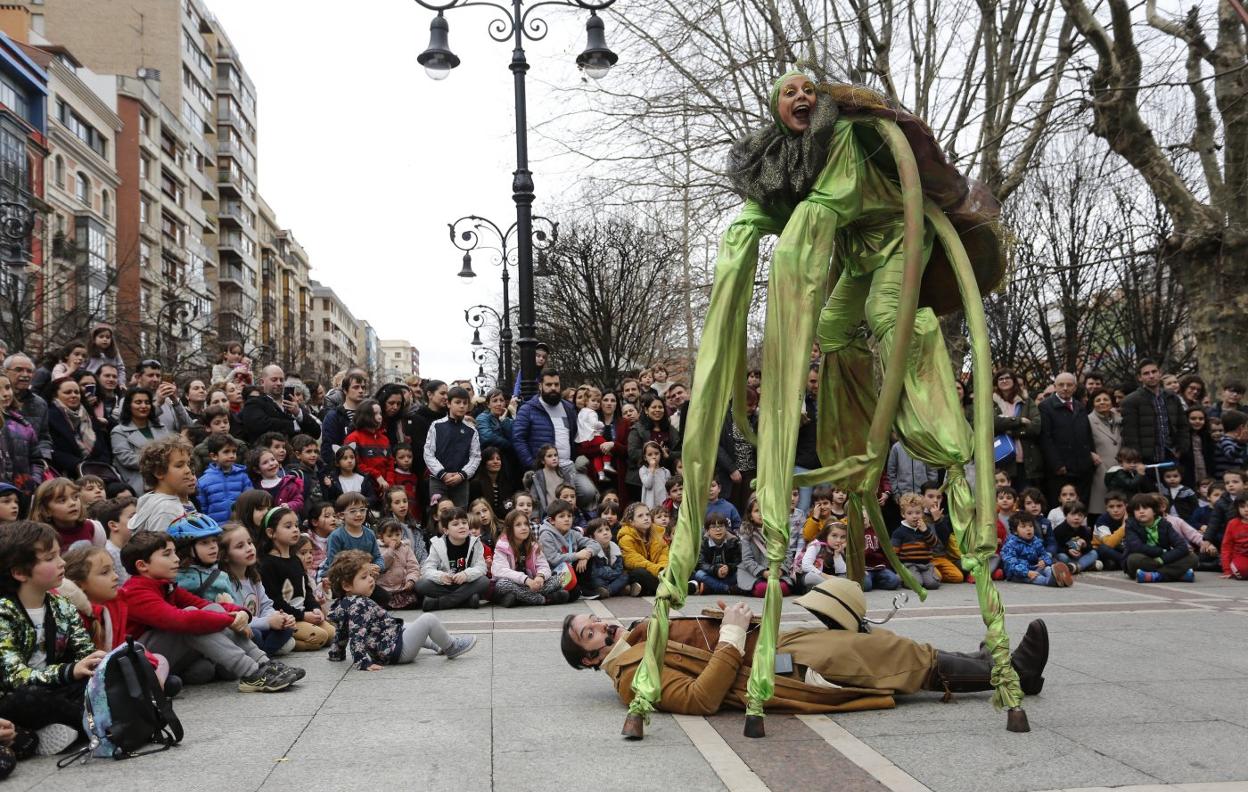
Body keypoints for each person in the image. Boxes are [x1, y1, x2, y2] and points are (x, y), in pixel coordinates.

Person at [560, 580, 1051, 719]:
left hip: (768, 646)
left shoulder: (638, 633)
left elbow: (697, 641)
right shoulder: (630, 678)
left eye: (593, 621)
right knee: (882, 659)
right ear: (590, 659)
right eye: (589, 634)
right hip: (773, 672)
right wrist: (731, 637)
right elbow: (700, 698)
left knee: (878, 642)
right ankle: (1011, 673)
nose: (600, 625)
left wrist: (725, 620)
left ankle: (987, 663)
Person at [119, 530, 302, 690]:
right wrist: (230, 619)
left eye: (175, 552)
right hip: (143, 658)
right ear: (142, 565)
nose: (176, 559)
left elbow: (205, 604)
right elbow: (181, 620)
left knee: (204, 659)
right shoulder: (136, 591)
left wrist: (241, 613)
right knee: (191, 618)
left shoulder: (165, 585)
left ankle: (264, 662)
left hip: (168, 655)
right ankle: (252, 673)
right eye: (167, 554)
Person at [0, 521, 105, 756]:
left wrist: (98, 664)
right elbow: (15, 677)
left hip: (56, 688)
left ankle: (45, 733)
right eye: (50, 558)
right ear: (19, 572)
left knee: (95, 681)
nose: (62, 562)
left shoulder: (62, 605)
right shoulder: (3, 612)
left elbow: (84, 652)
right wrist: (69, 671)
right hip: (13, 697)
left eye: (59, 554)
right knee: (31, 697)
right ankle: (98, 724)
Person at [325, 550, 475, 669]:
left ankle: (437, 644)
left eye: (370, 575)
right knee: (428, 620)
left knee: (407, 625)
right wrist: (362, 662)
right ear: (346, 585)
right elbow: (357, 634)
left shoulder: (344, 604)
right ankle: (451, 646)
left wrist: (336, 653)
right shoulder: (359, 605)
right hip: (397, 651)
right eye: (364, 577)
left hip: (387, 647)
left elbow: (342, 631)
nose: (371, 579)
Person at [513, 369, 598, 509]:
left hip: (568, 466)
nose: (553, 388)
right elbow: (518, 439)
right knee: (550, 505)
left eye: (556, 384)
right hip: (545, 469)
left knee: (588, 492)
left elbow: (575, 435)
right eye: (549, 384)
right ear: (540, 386)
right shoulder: (527, 409)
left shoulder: (569, 407)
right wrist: (532, 464)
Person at [260, 506, 334, 651]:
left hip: (304, 613)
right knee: (320, 637)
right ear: (271, 532)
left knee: (332, 634)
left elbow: (306, 590)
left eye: (296, 525)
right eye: (288, 526)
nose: (295, 530)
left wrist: (315, 608)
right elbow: (275, 601)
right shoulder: (268, 564)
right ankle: (284, 643)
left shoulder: (295, 560)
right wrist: (303, 616)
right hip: (289, 618)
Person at [218, 523, 295, 657]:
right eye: (240, 546)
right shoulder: (224, 583)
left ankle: (260, 654)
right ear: (225, 556)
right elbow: (236, 620)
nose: (249, 548)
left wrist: (279, 618)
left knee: (287, 629)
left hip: (260, 626)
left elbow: (266, 605)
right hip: (242, 631)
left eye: (249, 542)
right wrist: (268, 622)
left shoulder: (253, 578)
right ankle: (263, 655)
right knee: (256, 635)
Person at [1038, 372, 1096, 508]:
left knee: (1081, 506)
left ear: (1075, 387)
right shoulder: (1045, 407)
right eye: (1061, 385)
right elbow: (1045, 438)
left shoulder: (1080, 407)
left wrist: (1091, 455)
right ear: (1055, 387)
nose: (1065, 388)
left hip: (1082, 467)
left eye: (1069, 385)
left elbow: (1087, 434)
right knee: (1060, 507)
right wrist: (1057, 464)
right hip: (1060, 469)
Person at [416, 506, 489, 611]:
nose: (462, 526)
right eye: (455, 524)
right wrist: (441, 576)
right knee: (421, 585)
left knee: (484, 581)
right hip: (445, 585)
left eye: (464, 523)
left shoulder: (475, 543)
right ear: (446, 530)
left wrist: (466, 574)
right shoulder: (438, 544)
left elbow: (481, 567)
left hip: (466, 584)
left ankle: (440, 603)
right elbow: (427, 569)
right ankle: (466, 601)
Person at [1119, 360, 1189, 467]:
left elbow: (1182, 425)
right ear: (1140, 377)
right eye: (1146, 373)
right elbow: (1130, 435)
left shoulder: (1172, 397)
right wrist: (1137, 460)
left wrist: (1181, 448)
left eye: (1154, 371)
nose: (1151, 376)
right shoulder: (1131, 401)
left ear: (1160, 373)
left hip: (1171, 454)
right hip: (1146, 460)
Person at [491, 509, 566, 607]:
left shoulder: (533, 546)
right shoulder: (502, 546)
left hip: (531, 585)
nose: (524, 528)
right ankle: (543, 599)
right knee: (502, 584)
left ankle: (521, 599)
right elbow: (500, 570)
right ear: (510, 529)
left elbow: (544, 566)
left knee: (558, 580)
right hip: (514, 583)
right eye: (518, 525)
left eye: (526, 524)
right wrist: (525, 579)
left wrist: (540, 576)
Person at [423, 386, 481, 508]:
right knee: (439, 513)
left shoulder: (471, 430)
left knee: (460, 514)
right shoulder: (436, 425)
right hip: (438, 480)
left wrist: (462, 475)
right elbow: (428, 453)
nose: (462, 406)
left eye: (465, 403)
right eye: (457, 402)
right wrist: (442, 473)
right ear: (449, 404)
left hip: (461, 481)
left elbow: (475, 456)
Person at [111, 387, 176, 493]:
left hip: (167, 478)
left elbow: (171, 450)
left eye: (147, 402)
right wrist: (159, 461)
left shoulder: (160, 426)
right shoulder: (119, 431)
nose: (143, 406)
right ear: (129, 406)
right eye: (138, 402)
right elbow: (128, 459)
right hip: (141, 483)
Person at [1123, 493, 1197, 583]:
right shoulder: (1130, 525)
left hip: (1163, 559)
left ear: (1154, 511)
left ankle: (1154, 576)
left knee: (1193, 558)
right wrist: (1161, 551)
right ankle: (1177, 574)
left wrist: (1162, 559)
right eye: (1137, 509)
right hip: (1145, 558)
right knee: (1133, 559)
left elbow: (1182, 546)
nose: (1141, 511)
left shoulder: (1165, 524)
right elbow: (1137, 547)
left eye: (1145, 508)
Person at [239, 365, 319, 445]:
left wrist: (298, 413)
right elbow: (260, 425)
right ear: (262, 382)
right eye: (274, 380)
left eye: (281, 380)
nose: (279, 383)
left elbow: (316, 432)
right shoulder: (254, 402)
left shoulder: (293, 403)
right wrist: (293, 425)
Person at [737, 494, 797, 596]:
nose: (761, 514)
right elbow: (747, 559)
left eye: (764, 510)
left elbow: (788, 554)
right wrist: (763, 573)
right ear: (750, 516)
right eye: (757, 511)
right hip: (754, 574)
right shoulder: (746, 533)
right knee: (762, 589)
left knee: (781, 588)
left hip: (777, 572)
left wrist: (780, 571)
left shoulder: (779, 531)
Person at [992, 370, 1043, 488]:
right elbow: (993, 424)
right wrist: (1019, 421)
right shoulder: (991, 403)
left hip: (1025, 461)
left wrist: (1008, 430)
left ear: (1014, 381)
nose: (1004, 381)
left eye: (1007, 378)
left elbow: (1035, 427)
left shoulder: (1026, 402)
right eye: (1000, 379)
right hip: (1001, 460)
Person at [169, 514, 234, 605]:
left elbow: (239, 610)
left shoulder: (222, 577)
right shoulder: (172, 579)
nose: (213, 546)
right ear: (185, 548)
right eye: (204, 542)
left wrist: (229, 607)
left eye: (214, 540)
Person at [319, 492, 383, 580]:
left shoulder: (370, 533)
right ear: (341, 515)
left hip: (364, 577)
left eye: (362, 510)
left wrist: (378, 566)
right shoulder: (336, 536)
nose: (359, 514)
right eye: (353, 511)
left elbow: (378, 557)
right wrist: (360, 570)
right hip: (341, 579)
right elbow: (333, 564)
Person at [46, 377, 102, 476]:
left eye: (77, 392)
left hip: (97, 471)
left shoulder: (89, 415)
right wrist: (79, 465)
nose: (73, 395)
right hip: (65, 473)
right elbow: (52, 450)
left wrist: (100, 466)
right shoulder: (49, 417)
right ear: (55, 395)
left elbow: (103, 447)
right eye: (68, 392)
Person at [29, 478, 105, 550]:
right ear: (45, 510)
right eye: (62, 500)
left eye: (75, 497)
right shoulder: (40, 538)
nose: (72, 503)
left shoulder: (94, 527)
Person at [4, 354, 52, 465]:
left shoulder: (40, 404)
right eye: (19, 370)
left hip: (29, 465)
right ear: (5, 372)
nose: (25, 375)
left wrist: (42, 459)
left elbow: (44, 437)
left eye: (29, 371)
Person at [1002, 513, 1072, 586]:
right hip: (1017, 574)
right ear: (1015, 531)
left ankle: (1060, 577)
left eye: (1031, 526)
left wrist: (1044, 561)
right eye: (1023, 527)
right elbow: (1010, 563)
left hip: (1034, 568)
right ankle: (1052, 581)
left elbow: (1044, 554)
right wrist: (1027, 572)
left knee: (1047, 568)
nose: (1028, 529)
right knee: (1037, 578)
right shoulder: (1011, 544)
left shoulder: (1036, 541)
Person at [195, 434, 250, 523]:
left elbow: (249, 501)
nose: (232, 455)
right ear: (214, 456)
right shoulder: (204, 481)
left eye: (234, 451)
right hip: (216, 528)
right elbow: (202, 509)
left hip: (240, 526)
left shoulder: (242, 476)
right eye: (226, 452)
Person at [890, 493, 940, 590]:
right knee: (917, 583)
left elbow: (934, 544)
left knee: (933, 584)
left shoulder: (925, 528)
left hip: (926, 565)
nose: (914, 516)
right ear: (903, 514)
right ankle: (903, 577)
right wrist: (898, 568)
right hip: (909, 565)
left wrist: (925, 531)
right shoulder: (899, 532)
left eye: (918, 513)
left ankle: (920, 576)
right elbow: (893, 553)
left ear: (922, 513)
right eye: (909, 513)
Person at [617, 502, 668, 596]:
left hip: (657, 573)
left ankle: (646, 590)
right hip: (642, 572)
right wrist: (658, 570)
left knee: (677, 566)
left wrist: (664, 569)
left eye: (647, 514)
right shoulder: (626, 538)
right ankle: (676, 589)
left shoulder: (657, 534)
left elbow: (663, 556)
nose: (646, 518)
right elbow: (632, 561)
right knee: (638, 572)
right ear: (631, 521)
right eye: (640, 516)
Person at [343, 398, 393, 493]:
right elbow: (355, 464)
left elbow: (390, 463)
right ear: (365, 416)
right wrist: (377, 475)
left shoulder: (384, 439)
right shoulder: (353, 438)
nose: (380, 417)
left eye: (380, 413)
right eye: (375, 414)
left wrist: (389, 484)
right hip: (364, 489)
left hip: (385, 489)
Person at [320, 371, 369, 463]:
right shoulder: (334, 416)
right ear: (345, 390)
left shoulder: (369, 415)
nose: (361, 391)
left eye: (363, 387)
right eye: (356, 387)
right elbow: (328, 448)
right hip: (343, 467)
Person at [1086, 388, 1121, 514]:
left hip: (1121, 469)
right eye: (1098, 400)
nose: (1102, 402)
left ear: (1112, 402)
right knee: (1101, 508)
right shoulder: (1088, 420)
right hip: (1101, 469)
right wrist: (1090, 453)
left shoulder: (1119, 419)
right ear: (1093, 403)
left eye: (1106, 399)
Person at [585, 518, 639, 598]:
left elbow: (619, 569)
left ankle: (608, 591)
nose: (605, 533)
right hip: (600, 579)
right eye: (600, 531)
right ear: (592, 537)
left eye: (607, 529)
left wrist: (611, 574)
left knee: (625, 576)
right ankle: (620, 590)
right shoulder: (591, 550)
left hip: (613, 578)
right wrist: (609, 571)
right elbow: (594, 572)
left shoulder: (615, 547)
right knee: (595, 581)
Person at [375, 519, 422, 609]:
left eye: (397, 535)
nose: (394, 538)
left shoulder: (405, 548)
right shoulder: (378, 549)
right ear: (381, 537)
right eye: (390, 536)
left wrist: (411, 580)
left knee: (416, 599)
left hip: (402, 587)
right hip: (384, 588)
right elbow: (382, 565)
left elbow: (413, 567)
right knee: (381, 601)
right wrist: (390, 550)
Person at [247, 448, 304, 515]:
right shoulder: (255, 487)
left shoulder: (289, 483)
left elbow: (299, 501)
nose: (271, 463)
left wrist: (289, 505)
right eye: (265, 462)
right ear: (257, 470)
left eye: (273, 459)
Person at [694, 514, 742, 595]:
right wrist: (716, 570)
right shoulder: (703, 543)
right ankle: (727, 589)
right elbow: (701, 564)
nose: (718, 529)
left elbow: (738, 562)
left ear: (726, 528)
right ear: (707, 530)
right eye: (713, 527)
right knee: (699, 574)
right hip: (711, 575)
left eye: (721, 526)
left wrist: (728, 568)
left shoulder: (733, 541)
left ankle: (712, 588)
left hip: (728, 576)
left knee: (741, 574)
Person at [1091, 491, 1129, 570]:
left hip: (1121, 549)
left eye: (1119, 506)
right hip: (1105, 551)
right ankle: (1127, 562)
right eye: (1111, 507)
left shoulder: (1132, 517)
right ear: (1106, 508)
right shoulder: (1102, 520)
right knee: (1103, 548)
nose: (1115, 510)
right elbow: (1109, 543)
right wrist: (1124, 526)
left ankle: (1123, 562)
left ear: (1126, 506)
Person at [1180, 406, 1215, 488]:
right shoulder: (1181, 437)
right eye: (1193, 419)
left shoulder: (1207, 437)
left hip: (1205, 477)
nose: (1197, 421)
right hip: (1187, 477)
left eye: (1201, 419)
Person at [1220, 494, 1248, 580]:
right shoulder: (1232, 524)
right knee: (1241, 571)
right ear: (1237, 508)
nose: (1246, 510)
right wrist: (1227, 570)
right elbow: (1226, 547)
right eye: (1242, 507)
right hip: (1240, 556)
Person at [1213, 409, 1248, 476]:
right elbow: (1230, 455)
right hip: (1224, 478)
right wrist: (1241, 443)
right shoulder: (1225, 440)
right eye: (1246, 426)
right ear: (1241, 427)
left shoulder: (1235, 441)